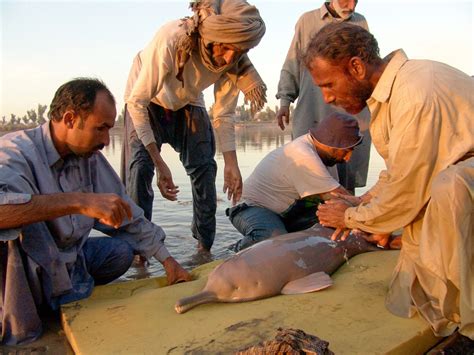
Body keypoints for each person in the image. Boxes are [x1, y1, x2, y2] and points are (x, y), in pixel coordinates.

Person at [303, 23, 473, 339]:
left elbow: (408, 191)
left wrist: (351, 217)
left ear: (356, 67)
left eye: (328, 85)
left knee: (450, 187)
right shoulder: (394, 96)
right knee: (407, 296)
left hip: (461, 189)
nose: (326, 98)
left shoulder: (418, 93)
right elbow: (400, 172)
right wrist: (363, 203)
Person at [0, 78, 192, 345]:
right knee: (13, 241)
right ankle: (32, 321)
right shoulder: (15, 153)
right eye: (100, 129)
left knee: (121, 253)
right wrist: (79, 202)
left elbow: (127, 213)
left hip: (69, 256)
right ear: (69, 119)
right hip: (30, 265)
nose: (105, 140)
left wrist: (168, 260)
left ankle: (66, 293)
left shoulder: (89, 157)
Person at [121, 0, 267, 253]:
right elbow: (137, 101)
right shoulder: (172, 39)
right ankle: (140, 252)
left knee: (205, 170)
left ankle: (204, 249)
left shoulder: (234, 61)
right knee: (140, 169)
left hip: (188, 100)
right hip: (148, 102)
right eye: (225, 48)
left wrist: (231, 163)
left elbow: (223, 114)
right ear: (210, 38)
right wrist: (159, 162)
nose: (229, 58)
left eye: (239, 51)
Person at [227, 112, 363, 251]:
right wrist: (376, 213)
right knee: (273, 241)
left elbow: (339, 203)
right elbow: (340, 197)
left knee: (334, 229)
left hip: (287, 213)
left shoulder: (328, 160)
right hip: (251, 208)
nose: (348, 158)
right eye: (346, 151)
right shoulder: (303, 155)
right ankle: (235, 251)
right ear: (330, 143)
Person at [276, 0, 371, 194]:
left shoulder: (360, 22)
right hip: (314, 109)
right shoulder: (307, 21)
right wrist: (285, 99)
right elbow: (292, 62)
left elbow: (368, 67)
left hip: (350, 112)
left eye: (355, 1)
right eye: (346, 0)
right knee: (308, 174)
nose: (350, 6)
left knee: (346, 178)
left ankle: (348, 219)